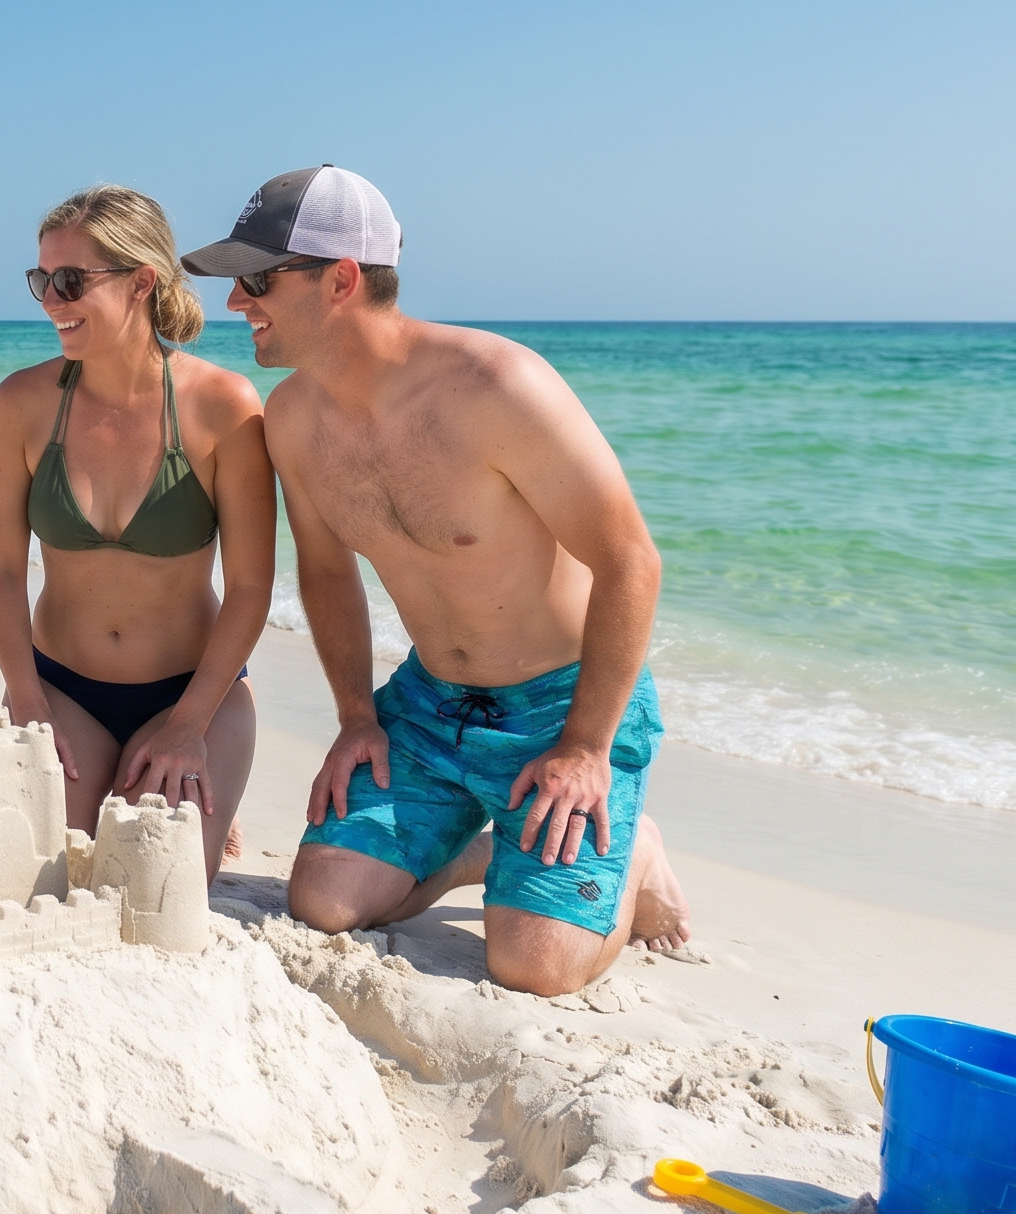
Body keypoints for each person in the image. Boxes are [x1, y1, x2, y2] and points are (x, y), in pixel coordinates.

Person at [181, 164, 688, 997]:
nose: (236, 303)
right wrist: (355, 717)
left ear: (340, 279)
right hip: (429, 707)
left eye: (258, 280)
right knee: (325, 902)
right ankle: (478, 846)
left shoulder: (497, 387)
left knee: (534, 967)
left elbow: (631, 560)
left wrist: (588, 750)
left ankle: (639, 850)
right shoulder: (294, 420)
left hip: (563, 709)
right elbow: (327, 572)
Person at [0, 186, 276, 872]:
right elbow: (0, 568)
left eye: (71, 280)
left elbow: (253, 587)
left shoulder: (222, 406)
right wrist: (25, 698)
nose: (52, 299)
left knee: (147, 881)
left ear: (142, 281)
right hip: (56, 686)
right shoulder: (21, 402)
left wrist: (188, 725)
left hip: (193, 690)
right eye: (41, 280)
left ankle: (212, 808)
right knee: (31, 872)